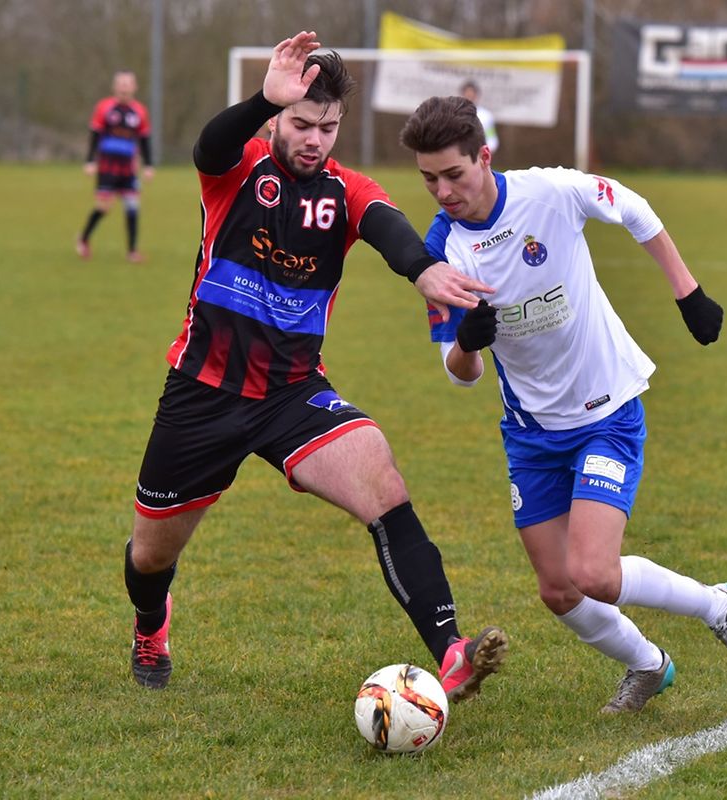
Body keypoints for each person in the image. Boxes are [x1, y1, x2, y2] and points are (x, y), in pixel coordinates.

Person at [124, 32, 508, 702]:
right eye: (300, 124)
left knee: (383, 484)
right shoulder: (238, 165)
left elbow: (386, 225)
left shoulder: (345, 189)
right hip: (202, 392)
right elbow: (207, 148)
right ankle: (151, 627)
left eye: (327, 128)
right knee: (151, 555)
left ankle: (450, 650)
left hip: (292, 395)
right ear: (277, 117)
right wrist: (259, 101)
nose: (313, 140)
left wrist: (422, 270)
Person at [399, 96, 727, 714]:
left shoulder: (552, 192)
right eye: (428, 179)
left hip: (606, 410)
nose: (442, 191)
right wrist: (468, 343)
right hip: (532, 432)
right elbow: (459, 374)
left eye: (453, 174)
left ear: (484, 158)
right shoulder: (441, 256)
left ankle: (722, 606)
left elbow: (634, 208)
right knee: (559, 590)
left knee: (595, 572)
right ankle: (648, 666)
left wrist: (689, 293)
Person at [77, 70, 155, 263]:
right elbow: (95, 136)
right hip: (107, 166)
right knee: (104, 207)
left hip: (128, 168)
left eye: (128, 83)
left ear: (134, 87)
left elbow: (144, 140)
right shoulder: (105, 108)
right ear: (114, 87)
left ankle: (132, 251)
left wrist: (148, 165)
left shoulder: (140, 111)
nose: (124, 87)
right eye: (121, 83)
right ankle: (83, 238)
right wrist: (90, 161)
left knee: (132, 207)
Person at [458, 81, 499, 155]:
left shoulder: (486, 116)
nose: (469, 97)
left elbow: (492, 140)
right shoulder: (455, 114)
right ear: (462, 94)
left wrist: (482, 154)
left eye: (471, 94)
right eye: (467, 94)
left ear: (476, 95)